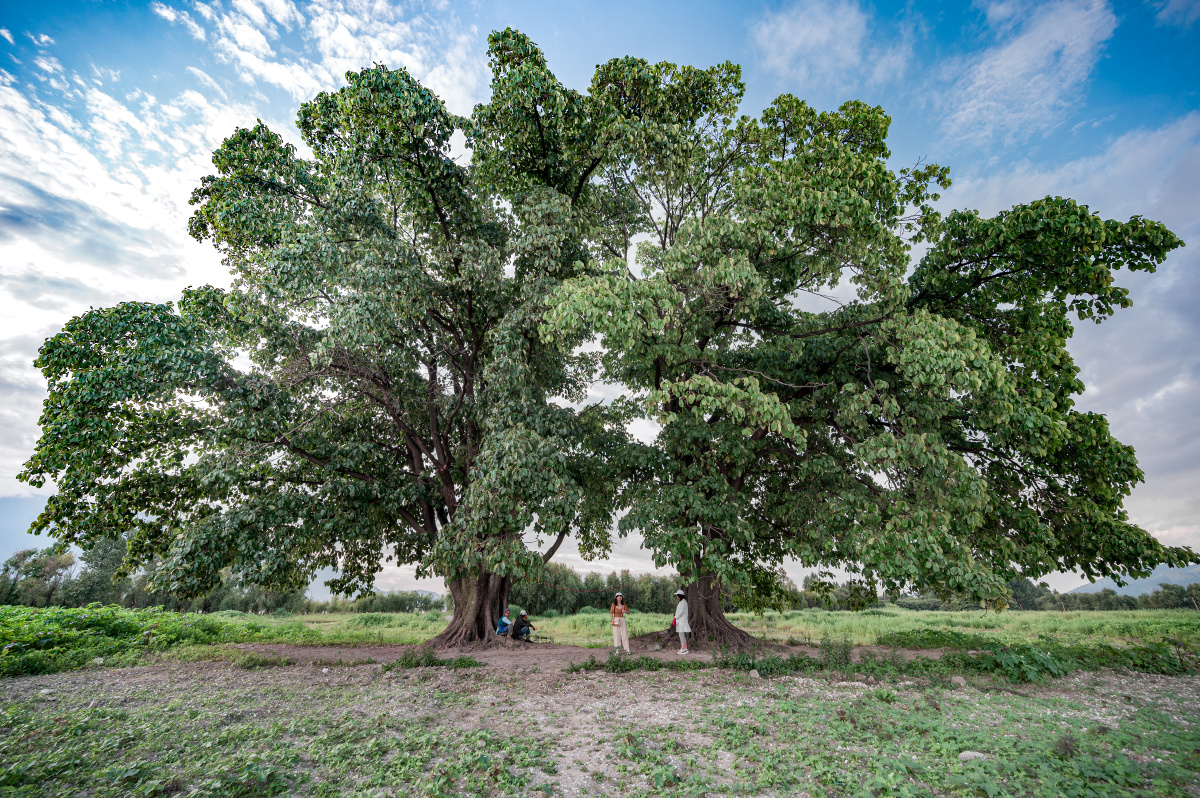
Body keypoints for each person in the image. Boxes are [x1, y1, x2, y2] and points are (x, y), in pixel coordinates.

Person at [674, 589, 690, 655]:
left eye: (677, 595)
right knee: (682, 634)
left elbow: (680, 612)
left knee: (681, 635)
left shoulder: (683, 602)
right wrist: (675, 614)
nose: (676, 596)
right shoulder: (682, 602)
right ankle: (685, 648)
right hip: (681, 621)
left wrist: (675, 616)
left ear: (679, 596)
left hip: (682, 621)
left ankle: (683, 649)